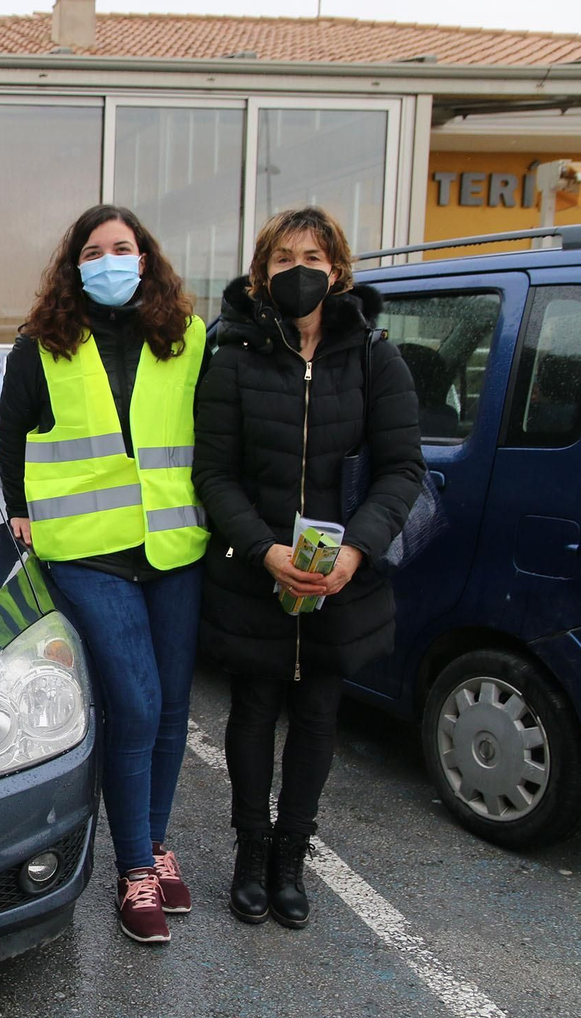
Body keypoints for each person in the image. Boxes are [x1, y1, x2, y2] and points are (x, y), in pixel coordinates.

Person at [193, 206, 423, 928]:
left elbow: (401, 469)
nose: (301, 271)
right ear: (262, 273)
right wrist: (265, 550)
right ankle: (251, 851)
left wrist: (355, 549)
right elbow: (214, 473)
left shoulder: (375, 357)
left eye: (314, 258)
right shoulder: (232, 357)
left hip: (340, 579)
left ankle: (293, 855)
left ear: (339, 270)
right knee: (254, 711)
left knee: (319, 714)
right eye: (285, 258)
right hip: (257, 572)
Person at [0, 204, 207, 944]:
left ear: (145, 258)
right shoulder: (42, 347)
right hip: (86, 551)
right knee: (137, 705)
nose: (109, 260)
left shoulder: (188, 338)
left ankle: (153, 841)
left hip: (174, 545)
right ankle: (134, 871)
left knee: (174, 709)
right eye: (94, 250)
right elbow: (14, 433)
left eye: (122, 247)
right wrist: (18, 508)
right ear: (74, 265)